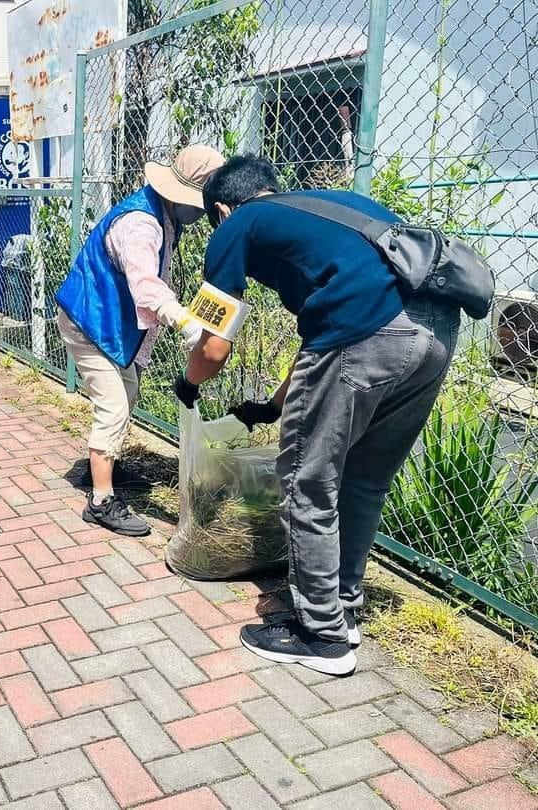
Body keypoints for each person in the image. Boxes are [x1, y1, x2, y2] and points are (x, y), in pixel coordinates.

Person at [174, 156, 459, 676]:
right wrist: (274, 405)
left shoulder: (234, 226)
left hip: (367, 333)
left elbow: (213, 349)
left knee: (308, 482)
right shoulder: (331, 208)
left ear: (221, 207)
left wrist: (187, 384)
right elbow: (322, 342)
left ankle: (322, 635)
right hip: (434, 336)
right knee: (365, 480)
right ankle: (344, 609)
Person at [55, 145, 224, 537]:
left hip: (106, 319)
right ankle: (99, 500)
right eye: (199, 206)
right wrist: (189, 326)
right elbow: (146, 287)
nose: (200, 214)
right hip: (87, 320)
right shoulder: (141, 224)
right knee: (113, 406)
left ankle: (103, 464)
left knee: (127, 391)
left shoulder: (162, 214)